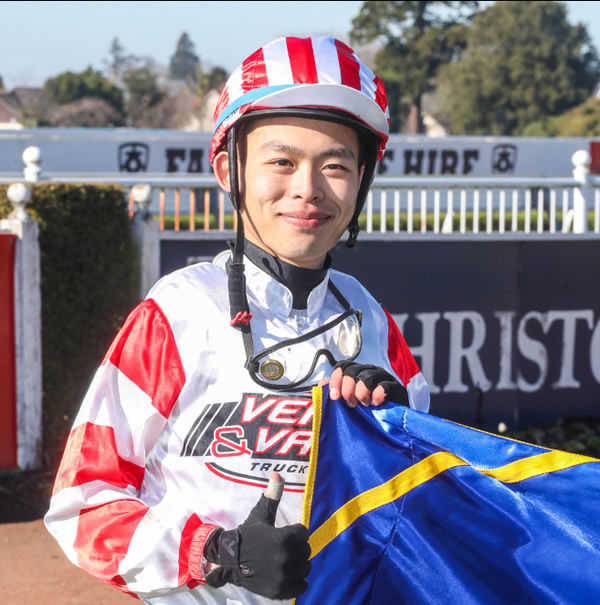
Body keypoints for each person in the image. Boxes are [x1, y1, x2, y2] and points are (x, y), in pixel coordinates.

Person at [45, 36, 429, 604]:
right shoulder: (175, 312)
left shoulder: (373, 322)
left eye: (335, 165)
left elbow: (417, 512)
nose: (308, 189)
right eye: (282, 161)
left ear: (363, 178)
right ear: (230, 169)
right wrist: (217, 551)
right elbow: (83, 504)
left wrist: (396, 435)